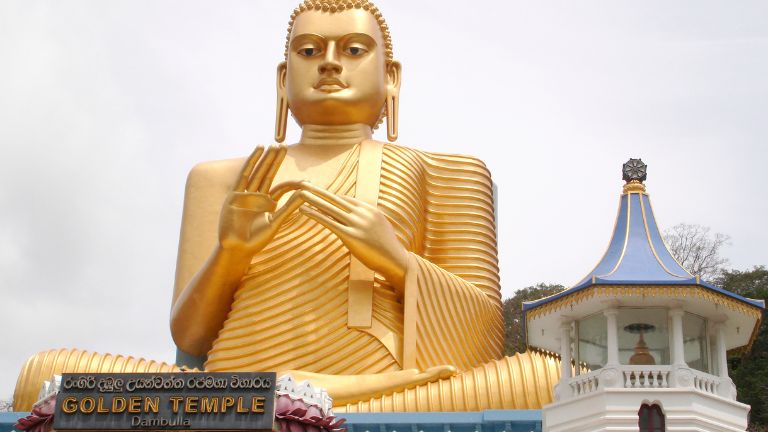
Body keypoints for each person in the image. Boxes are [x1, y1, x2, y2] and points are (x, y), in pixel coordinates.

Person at [13, 0, 558, 412]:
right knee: (46, 374)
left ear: (391, 78)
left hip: (383, 393)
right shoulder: (221, 178)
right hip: (231, 387)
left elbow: (483, 339)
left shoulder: (447, 171)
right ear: (283, 77)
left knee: (541, 379)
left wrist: (396, 260)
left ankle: (295, 402)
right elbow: (191, 338)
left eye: (353, 50)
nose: (329, 64)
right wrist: (230, 254)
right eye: (309, 51)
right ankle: (291, 401)